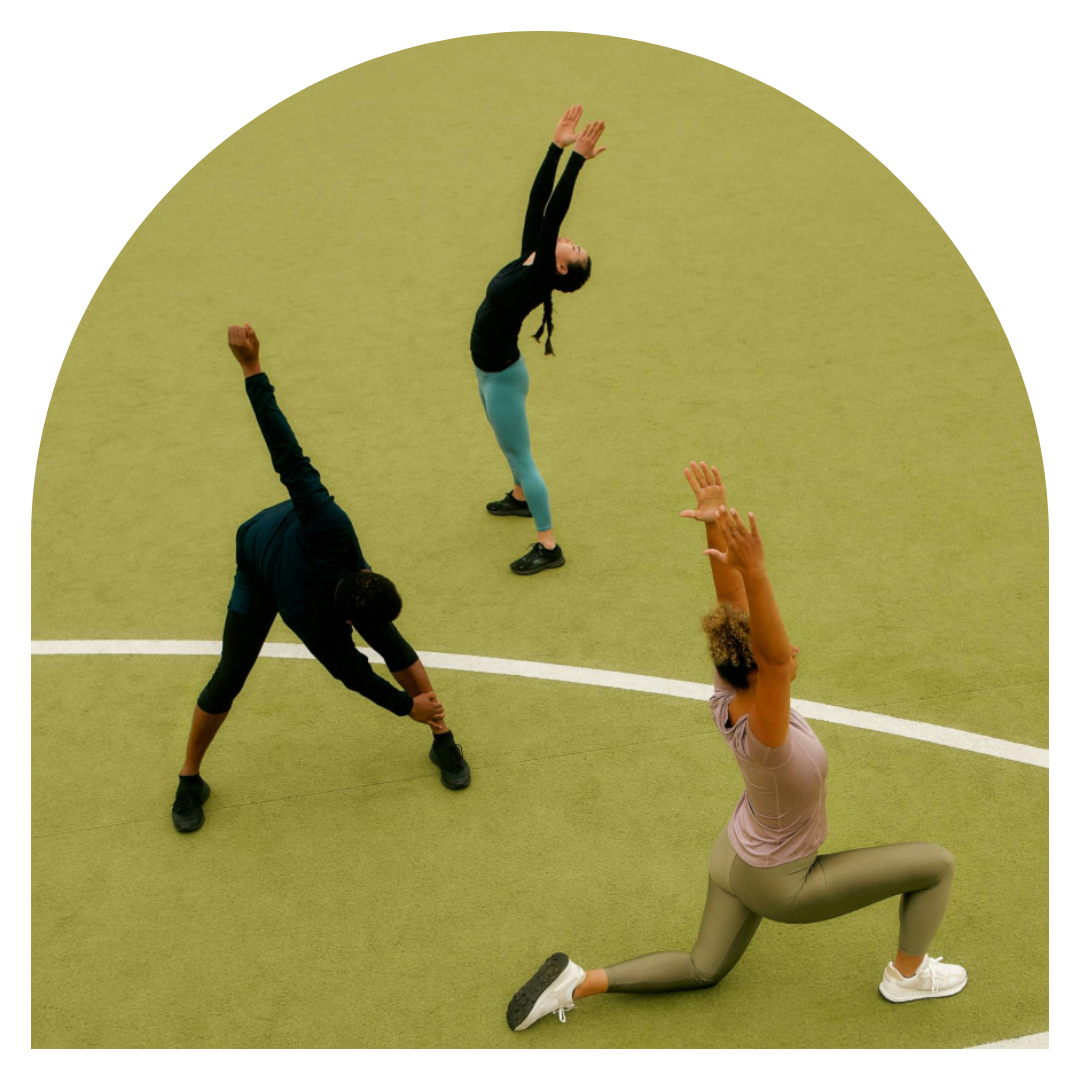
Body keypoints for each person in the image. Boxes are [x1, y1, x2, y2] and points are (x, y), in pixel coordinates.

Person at [505, 461, 966, 1030]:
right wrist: (762, 573)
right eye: (784, 649)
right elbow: (772, 654)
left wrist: (715, 523)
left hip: (732, 856)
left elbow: (733, 614)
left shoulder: (729, 691)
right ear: (770, 670)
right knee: (936, 865)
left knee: (704, 968)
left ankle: (579, 981)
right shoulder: (769, 735)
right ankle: (907, 975)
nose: (791, 646)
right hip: (781, 885)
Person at [171, 324, 470, 834]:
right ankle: (189, 778)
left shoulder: (330, 524)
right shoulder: (314, 621)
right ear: (351, 610)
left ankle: (442, 734)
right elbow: (352, 674)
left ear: (367, 575)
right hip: (258, 564)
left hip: (297, 538)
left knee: (395, 644)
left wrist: (252, 369)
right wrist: (404, 707)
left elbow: (289, 456)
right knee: (229, 677)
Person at [471, 105, 606, 575]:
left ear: (563, 267)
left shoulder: (541, 275)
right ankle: (519, 498)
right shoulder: (533, 256)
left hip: (503, 377)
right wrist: (555, 147)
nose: (570, 239)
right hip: (488, 370)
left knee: (522, 456)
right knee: (508, 447)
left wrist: (578, 160)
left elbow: (556, 209)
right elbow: (537, 205)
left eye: (576, 248)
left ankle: (548, 546)